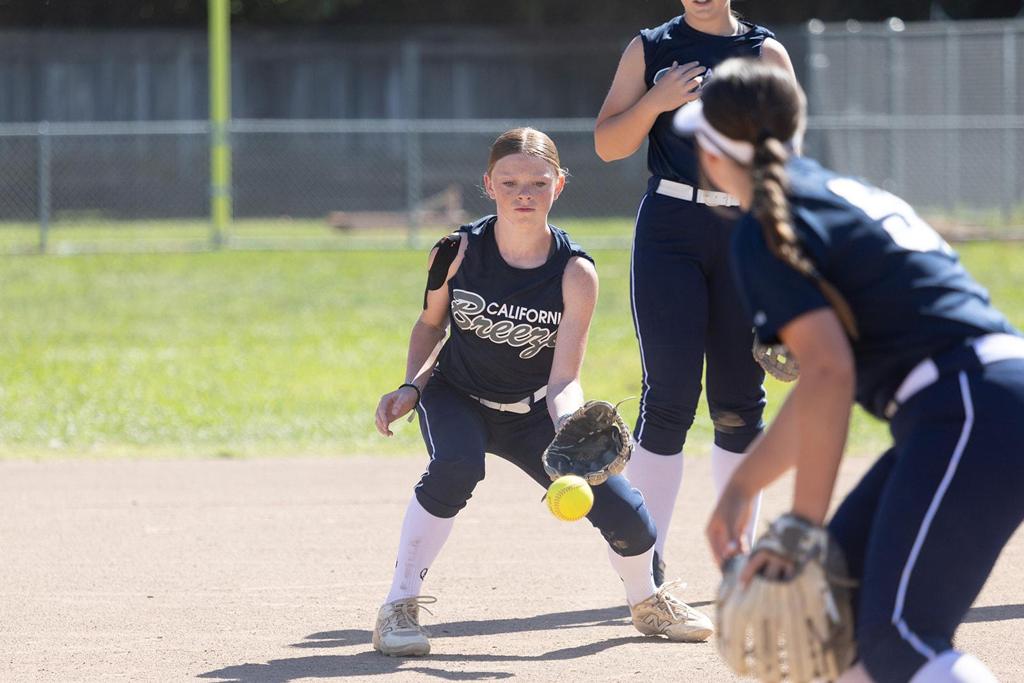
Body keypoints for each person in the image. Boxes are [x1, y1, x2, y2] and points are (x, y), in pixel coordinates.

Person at [685, 57, 1024, 682]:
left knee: (898, 638)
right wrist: (741, 488)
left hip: (970, 407)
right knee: (841, 628)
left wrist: (801, 525)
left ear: (709, 155)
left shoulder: (763, 229)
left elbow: (829, 375)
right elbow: (822, 386)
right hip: (973, 401)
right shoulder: (825, 193)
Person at [371, 127, 714, 658]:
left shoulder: (575, 272)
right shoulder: (456, 251)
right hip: (456, 394)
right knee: (457, 466)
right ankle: (398, 606)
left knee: (628, 514)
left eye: (538, 182)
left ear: (559, 185)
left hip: (534, 409)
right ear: (489, 185)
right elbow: (430, 325)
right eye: (509, 182)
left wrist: (570, 427)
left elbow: (564, 378)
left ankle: (647, 601)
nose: (523, 194)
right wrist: (412, 386)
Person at [593, 0, 799, 586]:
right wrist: (655, 101)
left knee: (740, 400)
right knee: (668, 397)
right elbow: (608, 144)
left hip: (745, 231)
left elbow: (788, 164)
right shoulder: (650, 47)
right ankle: (645, 562)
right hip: (671, 227)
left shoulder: (764, 53)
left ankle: (738, 559)